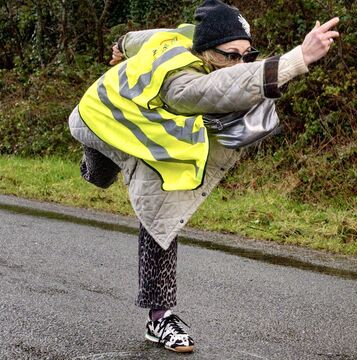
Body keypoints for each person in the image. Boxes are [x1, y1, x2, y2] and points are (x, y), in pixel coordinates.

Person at [68, 0, 339, 353]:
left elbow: (137, 38)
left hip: (132, 123)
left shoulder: (180, 35)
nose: (239, 64)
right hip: (98, 123)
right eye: (231, 55)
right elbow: (222, 88)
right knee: (152, 208)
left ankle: (159, 317)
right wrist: (296, 59)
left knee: (157, 212)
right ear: (205, 49)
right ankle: (161, 321)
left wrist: (120, 44)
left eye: (247, 54)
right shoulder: (181, 82)